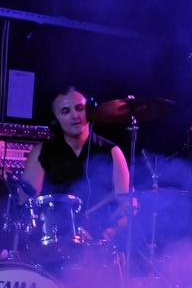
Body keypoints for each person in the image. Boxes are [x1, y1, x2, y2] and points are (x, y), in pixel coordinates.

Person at [22, 86, 131, 243]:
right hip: (54, 242)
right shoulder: (42, 152)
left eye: (79, 108)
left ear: (89, 111)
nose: (75, 115)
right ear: (55, 120)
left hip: (98, 245)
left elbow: (126, 205)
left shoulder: (112, 152)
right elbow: (26, 203)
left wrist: (108, 232)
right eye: (65, 111)